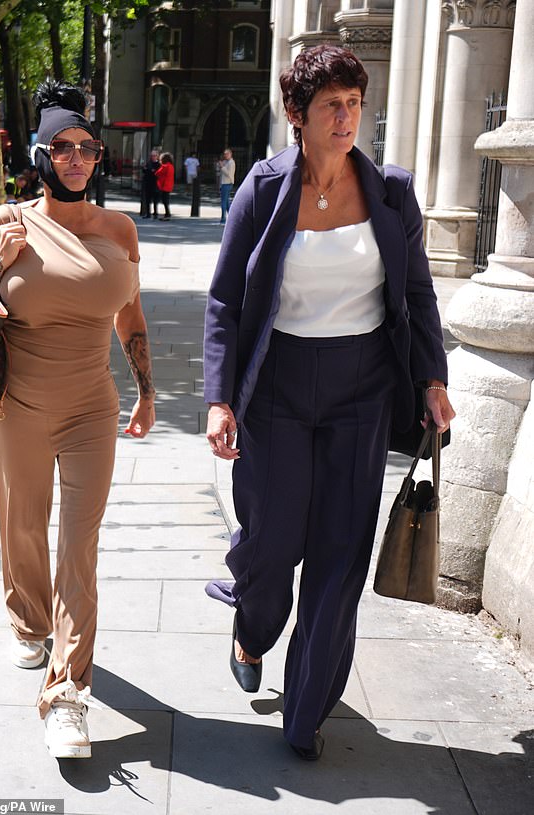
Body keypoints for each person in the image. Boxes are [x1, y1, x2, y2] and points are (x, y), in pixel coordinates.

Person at [203, 44, 455, 761]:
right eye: (331, 107)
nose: (347, 119)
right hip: (277, 382)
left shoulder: (391, 192)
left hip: (363, 388)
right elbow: (224, 299)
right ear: (297, 116)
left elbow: (416, 293)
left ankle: (308, 706)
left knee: (341, 554)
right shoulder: (262, 188)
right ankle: (253, 626)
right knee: (272, 543)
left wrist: (431, 379)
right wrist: (220, 398)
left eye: (354, 104)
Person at [0, 79, 156, 759]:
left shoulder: (120, 229)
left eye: (87, 148)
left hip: (92, 407)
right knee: (23, 527)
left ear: (98, 157)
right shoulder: (8, 222)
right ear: (41, 153)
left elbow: (129, 313)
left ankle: (66, 692)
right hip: (21, 405)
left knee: (80, 545)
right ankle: (28, 621)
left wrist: (147, 391)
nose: (75, 157)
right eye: (62, 146)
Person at [217, 148, 235, 224]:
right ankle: (232, 217)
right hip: (224, 183)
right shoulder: (226, 162)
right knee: (226, 201)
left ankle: (223, 219)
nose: (225, 155)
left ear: (230, 154)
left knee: (223, 202)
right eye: (225, 154)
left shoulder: (231, 163)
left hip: (227, 183)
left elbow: (228, 174)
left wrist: (222, 167)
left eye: (227, 154)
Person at [141, 149, 161, 218]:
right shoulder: (148, 163)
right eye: (152, 155)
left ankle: (155, 213)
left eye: (154, 155)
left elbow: (156, 173)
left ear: (157, 156)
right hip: (148, 183)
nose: (153, 157)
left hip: (155, 184)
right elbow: (145, 170)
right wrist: (149, 170)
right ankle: (148, 213)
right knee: (147, 199)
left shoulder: (159, 164)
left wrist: (149, 170)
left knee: (155, 200)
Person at [155, 152, 174, 220]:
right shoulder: (171, 166)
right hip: (169, 185)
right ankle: (167, 214)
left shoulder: (165, 166)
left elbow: (157, 173)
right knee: (166, 200)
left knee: (164, 200)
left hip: (164, 185)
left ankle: (167, 214)